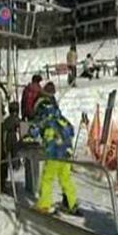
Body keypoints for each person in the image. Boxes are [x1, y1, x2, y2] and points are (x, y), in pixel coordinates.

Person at [26, 81, 78, 214]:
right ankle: (72, 203)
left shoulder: (44, 113)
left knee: (48, 177)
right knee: (65, 176)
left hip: (54, 149)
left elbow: (38, 126)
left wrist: (30, 134)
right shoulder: (58, 115)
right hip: (66, 148)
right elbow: (71, 129)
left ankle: (44, 204)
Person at [1, 101, 21, 190]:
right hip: (10, 141)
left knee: (5, 163)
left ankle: (3, 182)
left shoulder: (7, 120)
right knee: (8, 161)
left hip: (8, 142)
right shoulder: (14, 120)